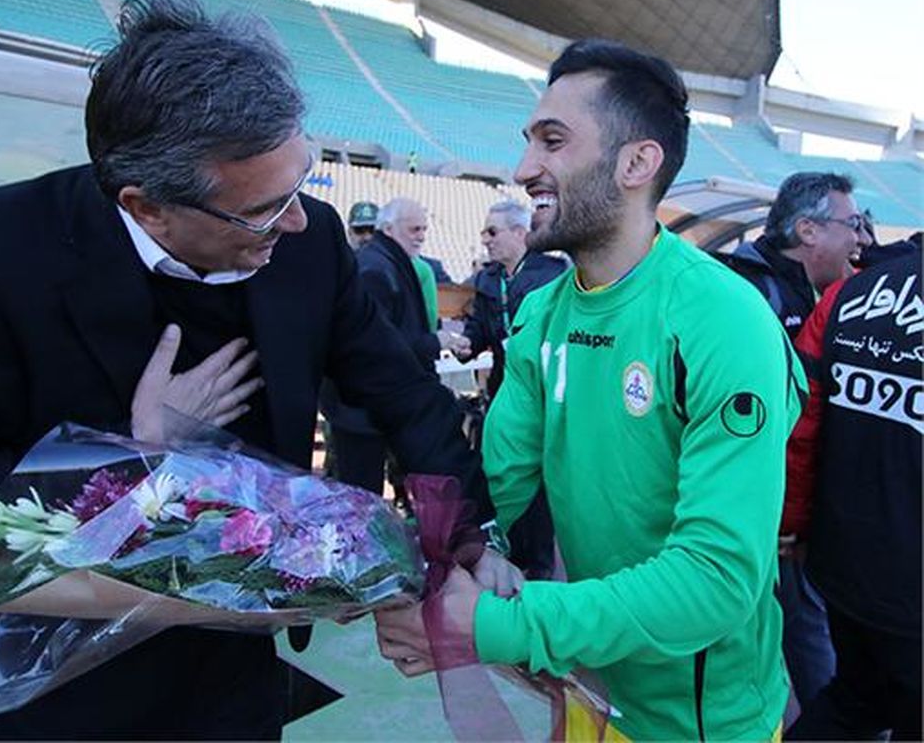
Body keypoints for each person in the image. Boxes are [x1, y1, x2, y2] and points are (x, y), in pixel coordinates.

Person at [0, 0, 512, 740]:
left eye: (300, 182)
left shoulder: (311, 241)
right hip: (57, 687)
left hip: (238, 669)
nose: (296, 219)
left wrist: (467, 541)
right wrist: (135, 456)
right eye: (266, 208)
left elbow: (405, 396)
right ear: (147, 208)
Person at [374, 38, 804, 740]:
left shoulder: (725, 320)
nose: (523, 170)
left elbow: (716, 581)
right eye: (528, 142)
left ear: (637, 162)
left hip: (704, 723)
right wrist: (415, 565)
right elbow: (496, 485)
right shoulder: (544, 313)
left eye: (553, 141)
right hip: (585, 686)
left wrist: (496, 625)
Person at [718, 171, 870, 708]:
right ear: (807, 230)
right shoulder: (743, 292)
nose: (862, 239)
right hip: (756, 516)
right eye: (852, 225)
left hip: (795, 514)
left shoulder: (832, 297)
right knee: (801, 651)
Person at [784, 251, 921, 740]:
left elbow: (799, 425)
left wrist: (792, 525)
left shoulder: (853, 292)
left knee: (855, 701)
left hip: (845, 565)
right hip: (898, 584)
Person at [320, 198, 471, 495]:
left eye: (424, 228)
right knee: (362, 498)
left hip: (369, 408)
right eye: (414, 228)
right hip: (363, 412)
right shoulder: (375, 269)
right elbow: (376, 348)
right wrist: (436, 341)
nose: (421, 235)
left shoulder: (387, 263)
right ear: (388, 229)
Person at [460, 199, 567, 580]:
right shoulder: (488, 279)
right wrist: (465, 344)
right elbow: (478, 329)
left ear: (520, 232)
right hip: (505, 393)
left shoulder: (553, 275)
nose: (485, 239)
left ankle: (538, 569)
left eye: (493, 231)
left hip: (543, 396)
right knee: (503, 471)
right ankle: (510, 554)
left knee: (537, 479)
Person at [719, 172, 870, 339]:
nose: (866, 239)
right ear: (807, 231)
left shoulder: (785, 289)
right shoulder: (757, 297)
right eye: (855, 224)